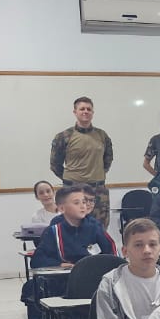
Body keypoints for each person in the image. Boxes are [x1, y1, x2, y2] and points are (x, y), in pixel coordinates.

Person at [50, 96, 114, 227]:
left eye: (89, 109)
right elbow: (55, 164)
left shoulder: (102, 135)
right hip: (72, 190)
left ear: (93, 112)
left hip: (98, 191)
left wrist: (96, 174)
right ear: (75, 112)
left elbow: (108, 160)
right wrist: (72, 180)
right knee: (73, 227)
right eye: (82, 109)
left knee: (99, 229)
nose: (86, 111)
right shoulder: (64, 136)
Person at [30, 185, 118, 269]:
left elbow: (112, 252)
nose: (83, 206)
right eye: (76, 203)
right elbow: (37, 260)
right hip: (65, 276)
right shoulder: (54, 231)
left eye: (84, 202)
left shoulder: (95, 226)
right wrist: (59, 264)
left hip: (92, 273)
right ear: (62, 209)